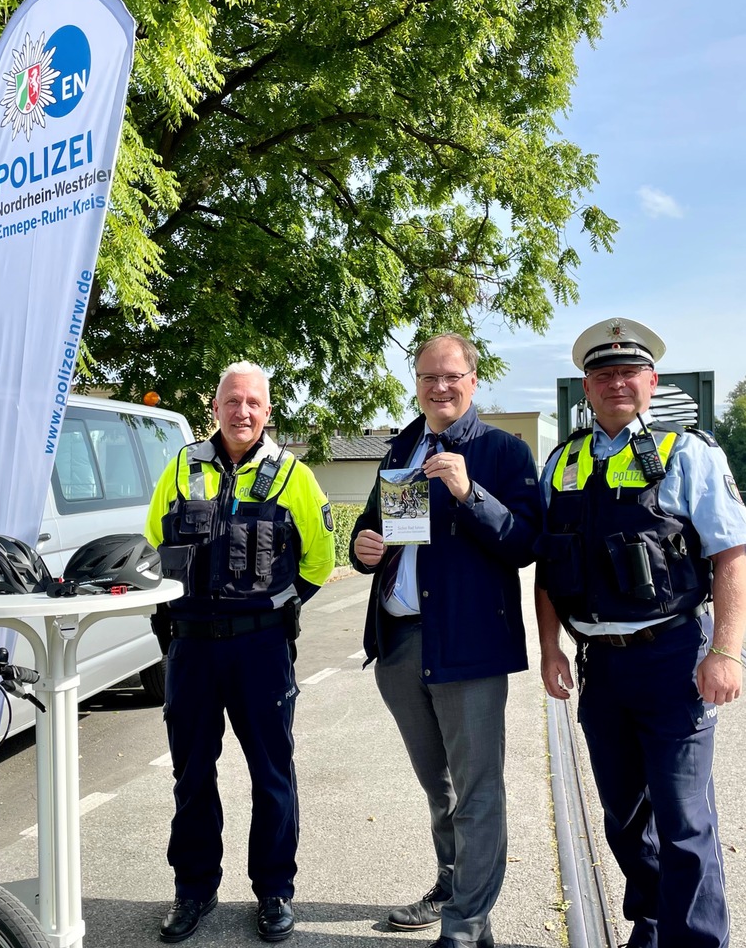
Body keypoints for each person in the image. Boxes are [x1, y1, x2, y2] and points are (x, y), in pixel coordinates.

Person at [534, 317, 746, 948]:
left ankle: (696, 941)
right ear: (586, 385)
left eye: (629, 372)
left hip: (671, 658)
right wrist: (551, 645)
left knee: (684, 819)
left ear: (651, 381)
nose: (616, 383)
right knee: (626, 818)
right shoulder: (563, 461)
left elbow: (731, 557)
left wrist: (726, 652)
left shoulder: (686, 452)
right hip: (599, 666)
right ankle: (654, 925)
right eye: (603, 374)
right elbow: (551, 568)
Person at [349, 333, 540, 948]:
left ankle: (464, 927)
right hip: (401, 643)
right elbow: (371, 527)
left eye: (451, 376)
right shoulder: (400, 446)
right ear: (418, 384)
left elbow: (525, 544)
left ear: (473, 381)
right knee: (441, 786)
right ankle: (454, 888)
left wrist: (468, 493)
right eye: (429, 377)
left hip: (469, 647)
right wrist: (363, 548)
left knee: (478, 790)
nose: (440, 387)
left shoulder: (503, 452)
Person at [145, 361, 336, 944]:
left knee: (272, 775)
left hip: (260, 647)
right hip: (192, 650)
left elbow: (320, 559)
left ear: (268, 411)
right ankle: (193, 891)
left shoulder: (293, 476)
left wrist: (276, 608)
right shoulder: (181, 467)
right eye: (233, 401)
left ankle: (274, 891)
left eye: (254, 402)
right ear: (216, 407)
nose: (243, 412)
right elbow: (156, 540)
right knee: (191, 776)